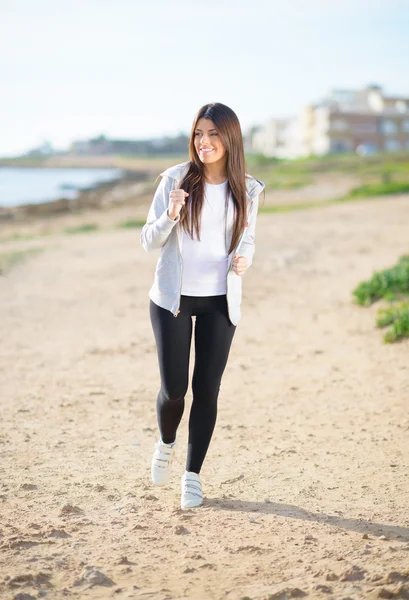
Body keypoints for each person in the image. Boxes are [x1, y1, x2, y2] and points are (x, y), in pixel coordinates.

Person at [140, 102, 264, 509]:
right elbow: (148, 241)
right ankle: (165, 442)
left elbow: (247, 236)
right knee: (175, 389)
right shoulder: (175, 179)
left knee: (207, 389)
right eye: (198, 134)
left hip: (219, 300)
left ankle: (192, 476)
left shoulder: (248, 188)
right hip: (173, 298)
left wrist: (245, 258)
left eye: (213, 134)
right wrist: (172, 213)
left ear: (230, 138)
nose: (205, 142)